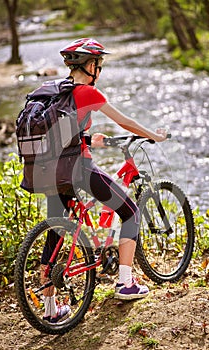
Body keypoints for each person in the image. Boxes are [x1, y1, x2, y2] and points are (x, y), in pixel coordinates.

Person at [41, 38, 168, 322]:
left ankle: (49, 311)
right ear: (90, 65)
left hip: (49, 171)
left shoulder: (54, 93)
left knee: (54, 233)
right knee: (131, 212)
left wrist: (87, 139)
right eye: (98, 65)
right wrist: (155, 136)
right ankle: (125, 283)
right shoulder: (86, 92)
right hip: (79, 169)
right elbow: (125, 122)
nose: (100, 70)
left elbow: (59, 134)